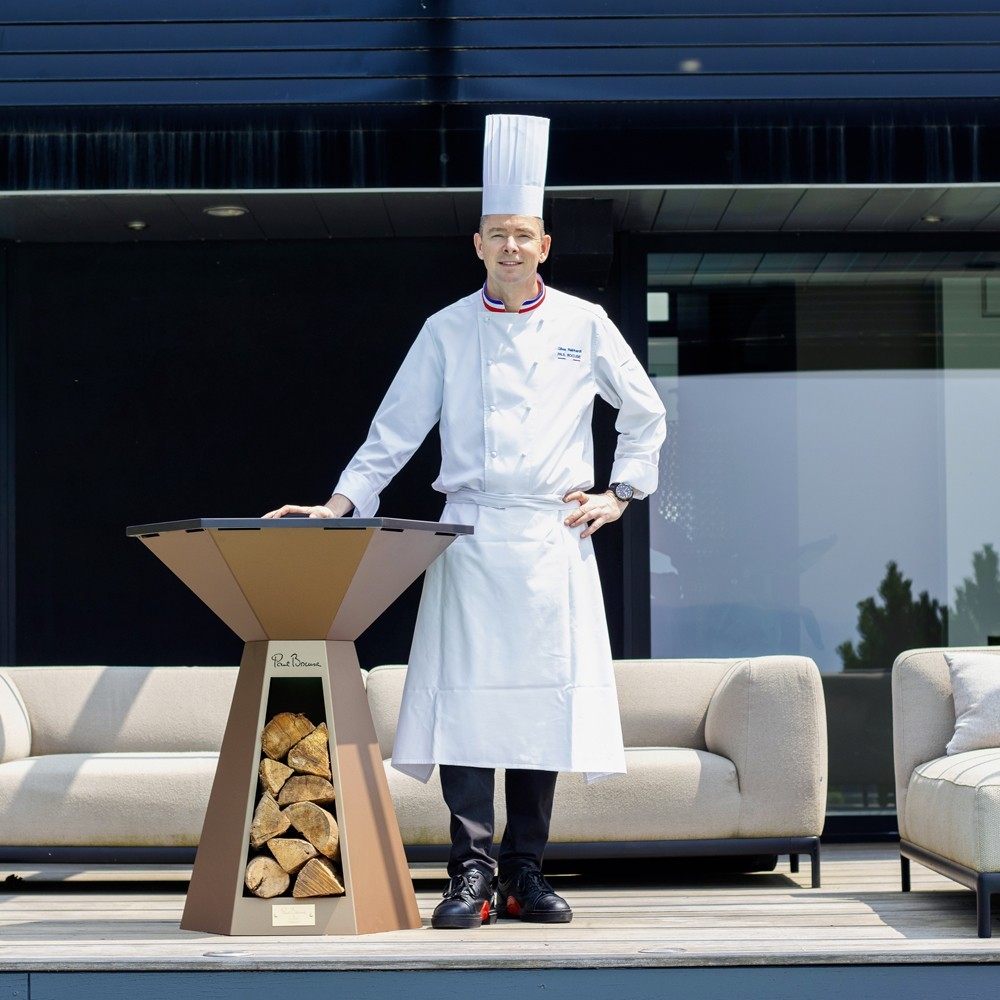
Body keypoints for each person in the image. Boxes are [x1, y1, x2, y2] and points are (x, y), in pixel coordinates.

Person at [264, 115, 666, 930]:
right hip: (471, 536)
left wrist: (618, 495)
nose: (510, 248)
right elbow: (394, 434)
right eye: (496, 236)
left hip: (553, 542)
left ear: (545, 246)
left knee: (543, 711)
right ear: (476, 245)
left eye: (523, 235)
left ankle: (528, 872)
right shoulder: (445, 331)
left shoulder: (584, 324)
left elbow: (647, 413)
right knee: (470, 711)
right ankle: (472, 873)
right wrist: (339, 505)